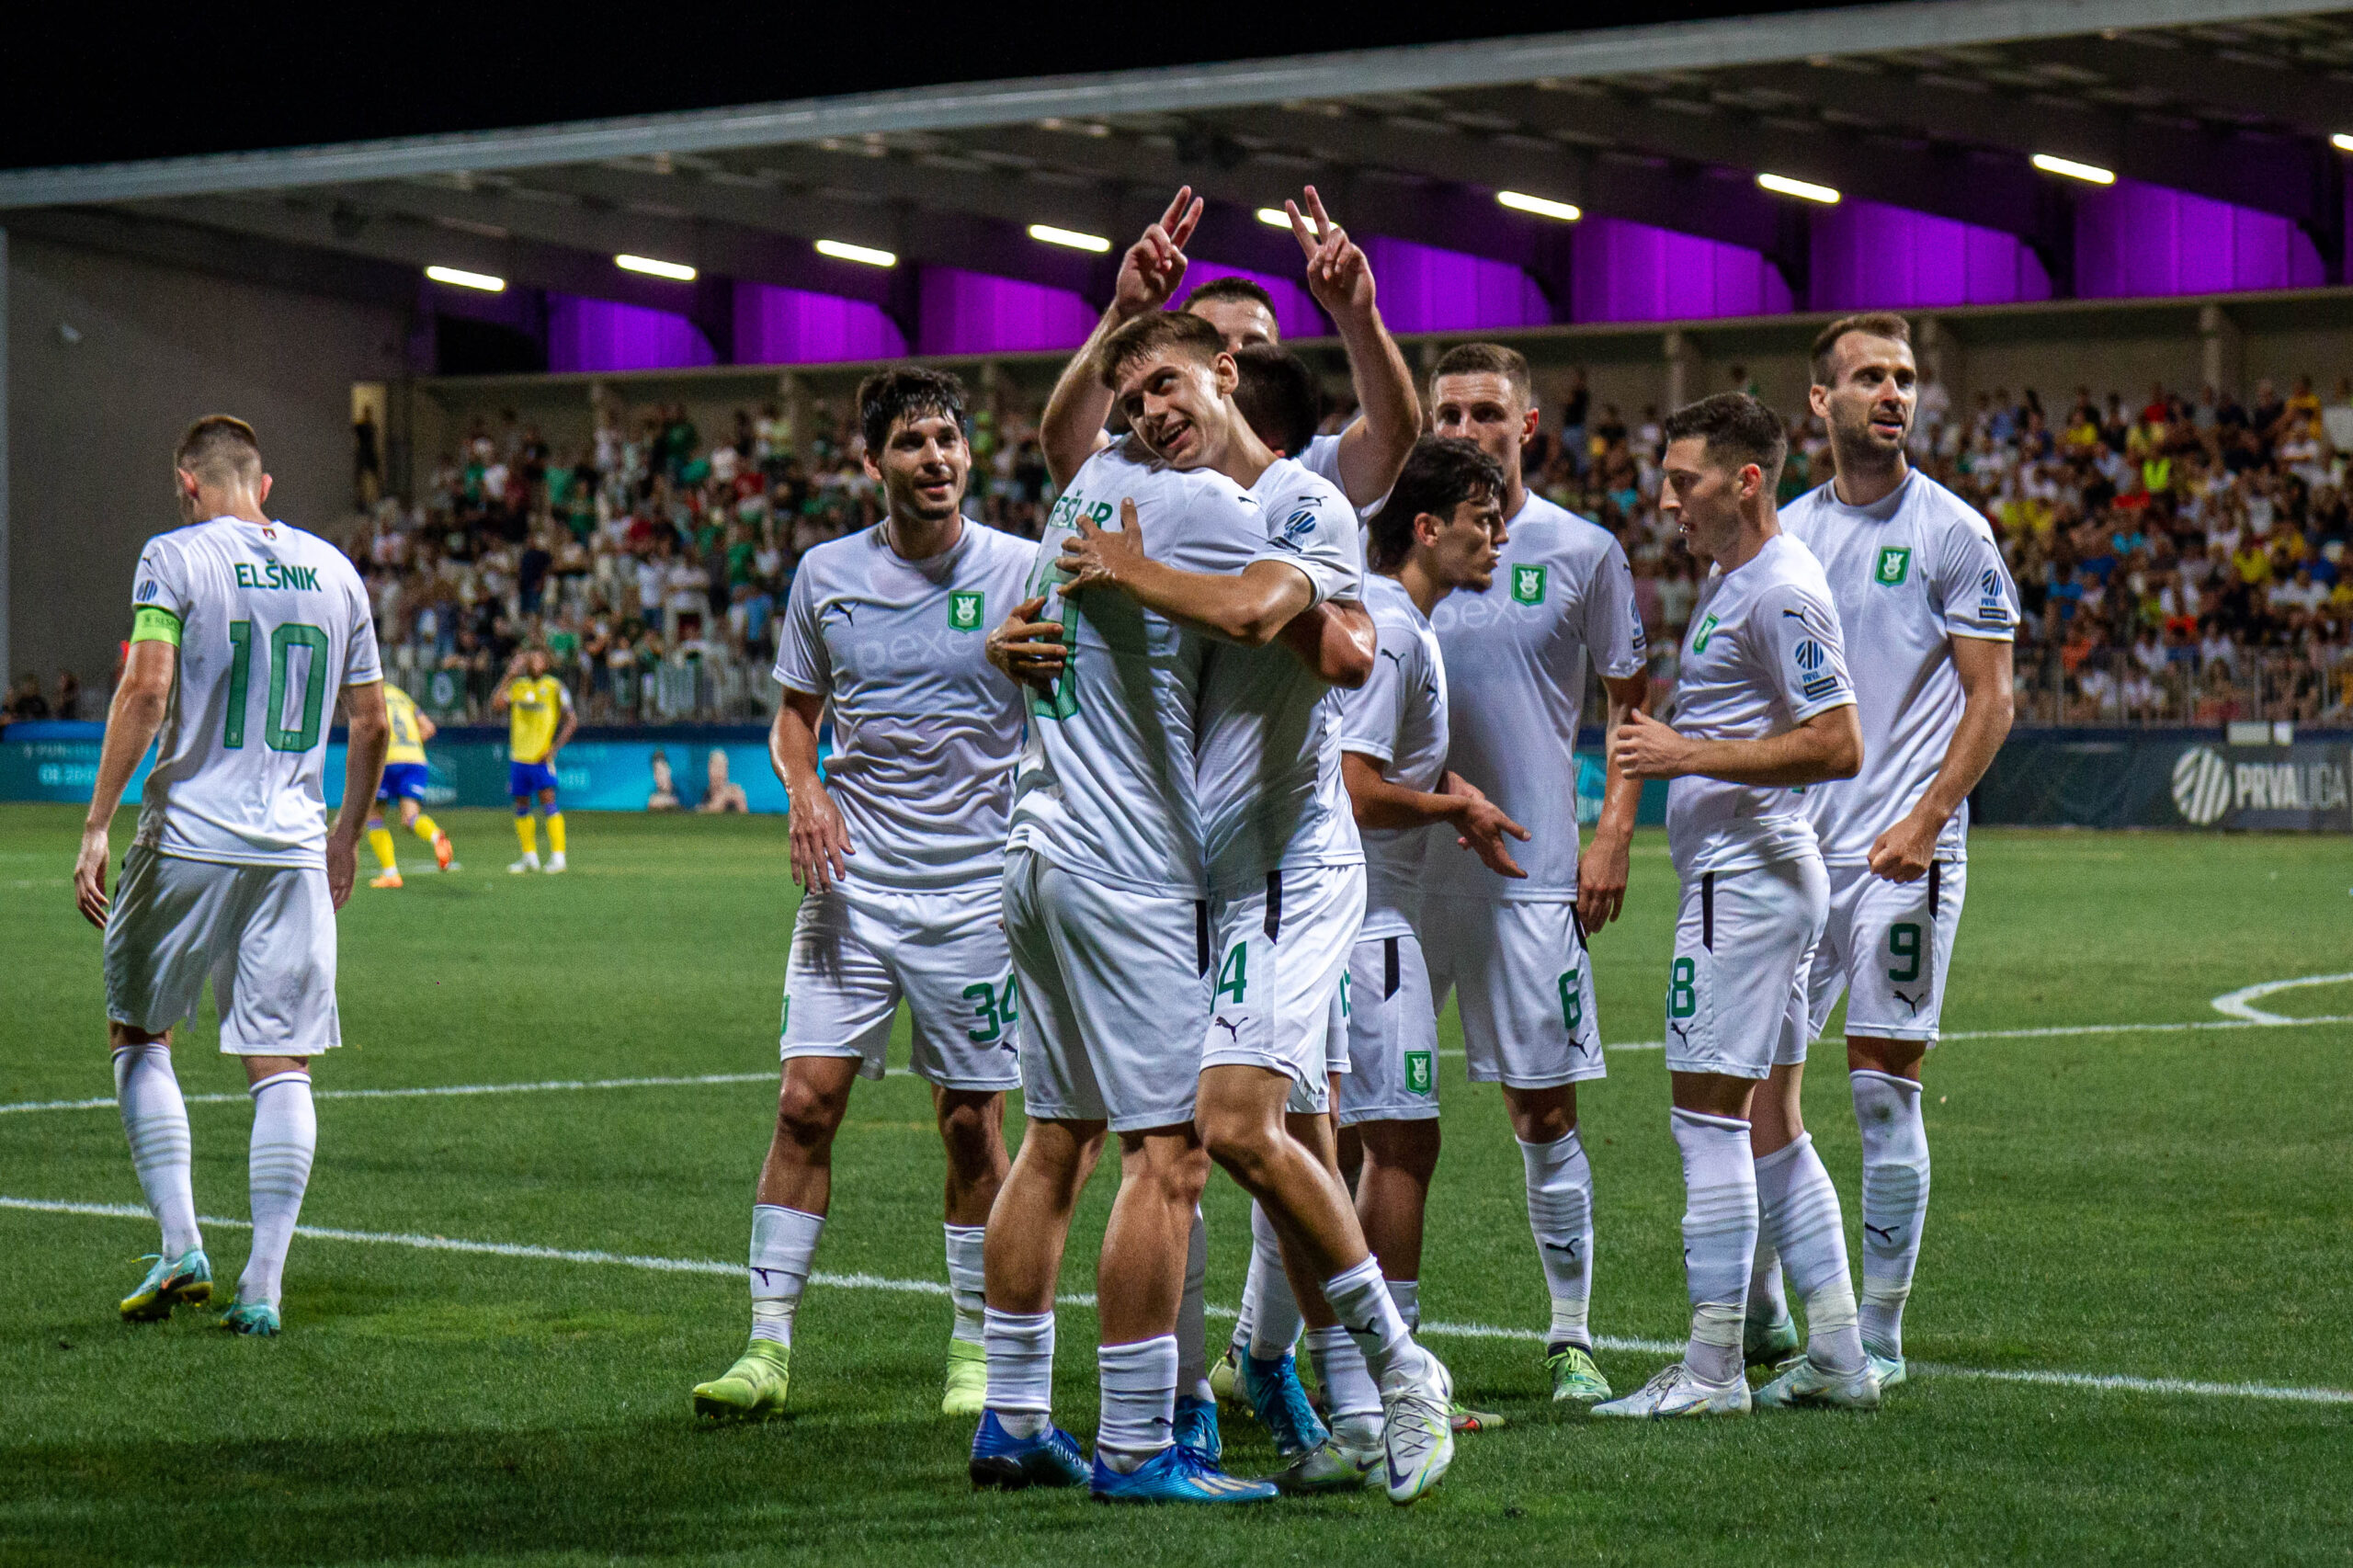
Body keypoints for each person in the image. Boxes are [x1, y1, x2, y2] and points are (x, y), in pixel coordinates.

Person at [1018, 297, 1456, 1504]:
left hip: (1287, 865)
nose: (1149, 413)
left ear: (1224, 371)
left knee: (1230, 1127)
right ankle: (1333, 1403)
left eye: (1165, 386)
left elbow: (1286, 618)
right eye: (1132, 400)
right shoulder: (1165, 500)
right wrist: (1031, 631)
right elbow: (1071, 482)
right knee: (1286, 1138)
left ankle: (1396, 1368)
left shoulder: (1297, 501)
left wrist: (1133, 572)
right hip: (1206, 871)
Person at [689, 369, 1037, 1427]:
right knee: (804, 1102)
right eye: (912, 443)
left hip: (976, 892)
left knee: (972, 1124)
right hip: (854, 880)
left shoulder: (1022, 570)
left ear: (969, 453)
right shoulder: (826, 574)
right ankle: (765, 1344)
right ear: (872, 460)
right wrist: (803, 789)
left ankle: (975, 1347)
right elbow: (795, 717)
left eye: (948, 440)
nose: (935, 458)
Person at [72, 415, 391, 1338]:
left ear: (187, 482)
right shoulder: (336, 570)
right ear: (265, 483)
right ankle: (264, 1282)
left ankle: (181, 1244)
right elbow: (372, 723)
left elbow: (146, 688)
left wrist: (97, 822)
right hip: (292, 845)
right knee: (281, 1063)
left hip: (190, 837)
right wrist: (346, 835)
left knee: (140, 1032)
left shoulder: (172, 557)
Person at [1596, 392, 1867, 1418]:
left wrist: (1686, 754)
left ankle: (1711, 1370)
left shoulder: (1782, 590)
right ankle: (1838, 1352)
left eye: (1684, 481)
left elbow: (1838, 741)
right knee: (1770, 1125)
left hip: (1745, 883)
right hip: (1760, 879)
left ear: (1745, 481)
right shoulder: (1736, 579)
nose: (1668, 501)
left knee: (1706, 1119)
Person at [1762, 313, 2018, 1395]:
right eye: (1869, 376)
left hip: (1903, 857)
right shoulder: (1784, 535)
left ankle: (1878, 1335)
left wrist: (1926, 817)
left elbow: (1991, 698)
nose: (1893, 393)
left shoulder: (1954, 531)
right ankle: (1770, 1307)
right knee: (1752, 1083)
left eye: (1905, 377)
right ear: (1819, 400)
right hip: (1794, 856)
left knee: (1881, 1087)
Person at [1423, 342, 1651, 1403]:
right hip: (1398, 872)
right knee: (1367, 1111)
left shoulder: (1583, 550)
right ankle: (1341, 1345)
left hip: (1527, 870)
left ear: (1526, 426)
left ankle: (1570, 1335)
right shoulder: (1392, 540)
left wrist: (1613, 834)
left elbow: (1629, 703)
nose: (1465, 430)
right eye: (1448, 414)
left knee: (1544, 1110)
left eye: (1484, 413)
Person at [1329, 436, 1530, 1451]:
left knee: (1336, 1145)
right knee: (1402, 1142)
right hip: (1369, 919)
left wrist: (1446, 792)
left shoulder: (1390, 619)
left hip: (1359, 915)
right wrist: (1453, 807)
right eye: (1481, 521)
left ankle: (1287, 1359)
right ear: (1425, 527)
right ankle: (1388, 1382)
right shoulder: (1395, 634)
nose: (1497, 538)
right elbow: (1355, 788)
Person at [1177, 187, 1420, 513]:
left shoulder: (1314, 469)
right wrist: (1123, 313)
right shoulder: (1141, 464)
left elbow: (1394, 435)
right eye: (1216, 343)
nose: (1235, 354)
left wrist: (1358, 318)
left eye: (1255, 344)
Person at [364, 682, 456, 889]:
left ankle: (391, 874)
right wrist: (410, 744)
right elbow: (429, 728)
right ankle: (437, 837)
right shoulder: (402, 697)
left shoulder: (371, 695)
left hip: (387, 759)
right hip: (415, 759)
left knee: (374, 815)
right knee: (410, 818)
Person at [492, 647, 574, 873]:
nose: (535, 663)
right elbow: (496, 706)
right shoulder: (517, 686)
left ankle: (558, 857)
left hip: (540, 758)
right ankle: (529, 857)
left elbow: (572, 720)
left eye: (540, 659)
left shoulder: (555, 687)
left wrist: (554, 749)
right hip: (519, 757)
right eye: (532, 659)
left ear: (546, 664)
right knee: (521, 806)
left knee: (549, 803)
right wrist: (509, 675)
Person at [698, 748, 749, 813]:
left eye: (722, 767)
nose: (719, 773)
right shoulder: (703, 795)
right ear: (709, 770)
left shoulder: (733, 794)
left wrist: (741, 803)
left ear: (727, 772)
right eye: (715, 767)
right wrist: (721, 800)